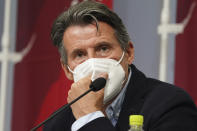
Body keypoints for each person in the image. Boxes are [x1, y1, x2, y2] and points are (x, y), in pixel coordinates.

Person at [44, 1, 197, 131]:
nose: (93, 63)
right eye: (79, 54)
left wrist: (89, 117)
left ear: (129, 53)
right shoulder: (56, 124)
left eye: (103, 48)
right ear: (67, 70)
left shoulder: (169, 106)